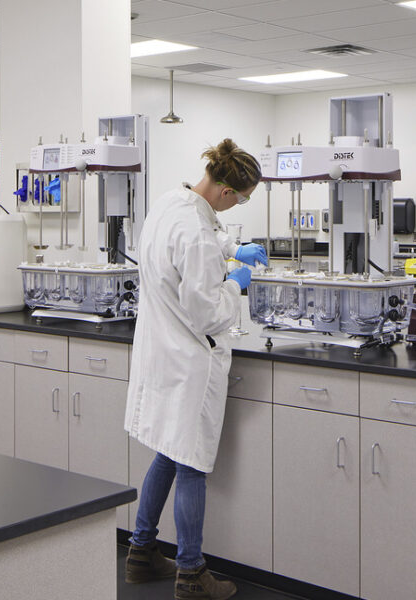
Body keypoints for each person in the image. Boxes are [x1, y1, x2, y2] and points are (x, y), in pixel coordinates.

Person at [123, 139, 263, 600]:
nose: (238, 205)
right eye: (241, 199)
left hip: (160, 352)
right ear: (226, 191)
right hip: (189, 358)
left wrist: (235, 247)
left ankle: (141, 553)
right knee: (191, 466)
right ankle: (191, 573)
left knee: (167, 449)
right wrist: (235, 285)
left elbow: (200, 235)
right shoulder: (200, 235)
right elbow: (208, 313)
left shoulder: (170, 203)